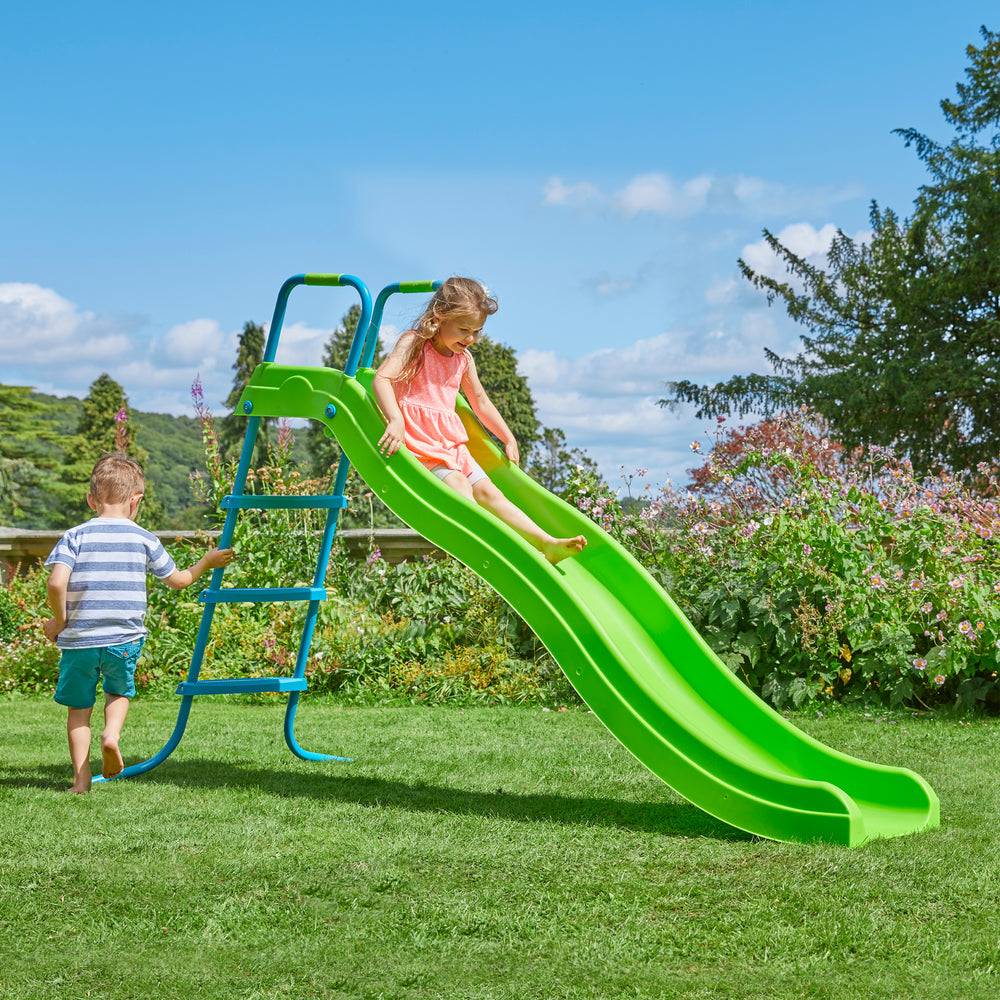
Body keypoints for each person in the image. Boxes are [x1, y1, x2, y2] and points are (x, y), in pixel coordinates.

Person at [43, 453, 234, 792]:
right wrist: (206, 561)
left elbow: (56, 583)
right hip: (124, 639)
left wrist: (59, 622)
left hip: (80, 641)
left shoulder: (74, 536)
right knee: (118, 692)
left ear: (91, 500)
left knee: (79, 708)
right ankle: (111, 735)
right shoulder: (144, 538)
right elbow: (179, 580)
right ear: (137, 500)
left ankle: (81, 779)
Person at [372, 276, 586, 565]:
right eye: (464, 329)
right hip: (420, 442)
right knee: (460, 486)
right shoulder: (414, 343)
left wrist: (507, 436)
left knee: (490, 493)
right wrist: (395, 419)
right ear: (439, 317)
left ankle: (546, 543)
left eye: (477, 331)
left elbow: (480, 401)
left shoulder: (463, 359)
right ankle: (501, 547)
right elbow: (382, 379)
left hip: (450, 444)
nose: (470, 338)